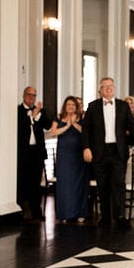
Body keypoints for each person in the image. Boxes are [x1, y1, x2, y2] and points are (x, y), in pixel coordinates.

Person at [82, 77, 134, 228]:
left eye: (111, 86)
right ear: (100, 90)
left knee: (119, 185)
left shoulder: (123, 106)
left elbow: (132, 126)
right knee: (102, 185)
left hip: (118, 151)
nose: (108, 88)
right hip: (99, 151)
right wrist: (86, 148)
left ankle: (120, 216)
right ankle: (105, 217)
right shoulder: (93, 106)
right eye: (105, 86)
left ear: (114, 88)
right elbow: (85, 129)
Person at [49, 96, 89, 224]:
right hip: (64, 155)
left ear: (76, 107)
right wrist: (67, 126)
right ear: (65, 106)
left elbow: (86, 132)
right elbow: (53, 132)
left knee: (79, 183)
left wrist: (74, 124)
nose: (70, 107)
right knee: (65, 183)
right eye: (68, 104)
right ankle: (65, 213)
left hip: (78, 155)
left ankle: (80, 213)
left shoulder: (82, 117)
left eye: (73, 105)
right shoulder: (59, 117)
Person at [17, 86, 52, 222]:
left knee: (36, 182)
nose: (31, 97)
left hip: (37, 152)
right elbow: (20, 127)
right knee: (23, 181)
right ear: (23, 95)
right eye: (29, 94)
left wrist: (38, 114)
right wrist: (32, 116)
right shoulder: (18, 111)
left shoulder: (40, 111)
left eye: (34, 95)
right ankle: (23, 210)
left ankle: (37, 211)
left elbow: (48, 125)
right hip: (23, 152)